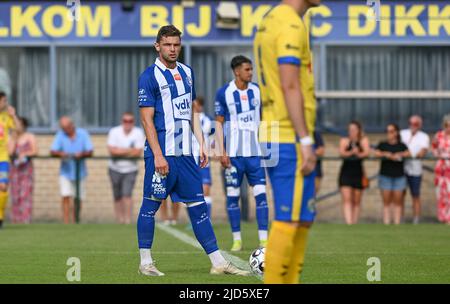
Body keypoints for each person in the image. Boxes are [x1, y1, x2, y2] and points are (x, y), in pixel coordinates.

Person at [136, 25, 248, 276]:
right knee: (150, 207)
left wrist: (200, 144)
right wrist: (157, 155)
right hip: (162, 153)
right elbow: (146, 120)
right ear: (158, 46)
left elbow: (192, 113)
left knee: (198, 207)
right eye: (167, 44)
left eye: (176, 44)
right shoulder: (149, 76)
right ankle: (145, 263)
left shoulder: (187, 72)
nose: (172, 49)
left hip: (186, 154)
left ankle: (218, 262)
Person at [254, 0, 321, 284]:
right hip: (288, 136)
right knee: (288, 219)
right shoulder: (291, 24)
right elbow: (289, 84)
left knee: (303, 218)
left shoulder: (270, 19)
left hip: (279, 132)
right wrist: (305, 139)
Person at [215, 55, 269, 252]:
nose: (251, 73)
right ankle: (237, 240)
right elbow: (219, 124)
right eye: (247, 69)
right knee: (232, 197)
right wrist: (222, 151)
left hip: (255, 155)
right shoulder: (224, 93)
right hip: (234, 157)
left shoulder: (258, 92)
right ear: (237, 71)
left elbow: (265, 119)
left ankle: (264, 240)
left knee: (261, 196)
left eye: (251, 69)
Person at [50, 116, 93, 224]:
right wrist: (61, 153)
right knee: (65, 196)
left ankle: (75, 220)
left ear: (72, 125)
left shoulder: (83, 134)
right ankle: (66, 222)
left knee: (78, 198)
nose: (66, 130)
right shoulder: (60, 135)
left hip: (80, 171)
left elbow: (90, 151)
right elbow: (53, 151)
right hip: (65, 171)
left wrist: (81, 154)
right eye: (63, 128)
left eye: (67, 127)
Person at [107, 112, 145, 224]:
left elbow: (137, 152)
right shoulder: (114, 131)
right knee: (117, 195)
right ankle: (119, 220)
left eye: (130, 121)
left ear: (133, 122)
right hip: (114, 168)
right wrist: (129, 150)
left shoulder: (138, 132)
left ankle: (127, 220)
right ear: (122, 121)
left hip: (130, 169)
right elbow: (112, 151)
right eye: (125, 121)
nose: (127, 123)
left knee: (127, 194)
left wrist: (120, 151)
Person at [375, 123, 410, 225]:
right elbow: (376, 153)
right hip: (385, 175)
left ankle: (397, 223)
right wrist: (386, 154)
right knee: (386, 201)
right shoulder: (383, 144)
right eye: (387, 131)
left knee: (398, 201)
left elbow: (408, 153)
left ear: (396, 132)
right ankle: (386, 223)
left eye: (391, 131)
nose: (389, 134)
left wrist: (399, 154)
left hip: (399, 176)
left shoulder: (402, 145)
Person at [338, 121, 370, 225]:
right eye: (350, 129)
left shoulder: (363, 140)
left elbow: (366, 153)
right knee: (347, 199)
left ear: (358, 130)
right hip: (346, 172)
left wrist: (358, 152)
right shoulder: (344, 140)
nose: (351, 132)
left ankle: (354, 223)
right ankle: (349, 223)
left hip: (358, 172)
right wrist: (351, 152)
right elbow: (342, 153)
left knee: (356, 200)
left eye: (354, 129)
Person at [400, 115, 430, 224]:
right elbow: (398, 148)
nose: (413, 126)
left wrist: (407, 154)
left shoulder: (424, 136)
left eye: (416, 124)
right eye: (411, 123)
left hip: (415, 170)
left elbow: (422, 152)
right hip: (402, 169)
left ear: (420, 125)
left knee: (415, 195)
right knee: (400, 195)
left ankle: (416, 219)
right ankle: (400, 218)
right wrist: (406, 153)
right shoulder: (403, 133)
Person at [9, 117, 38, 224]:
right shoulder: (12, 138)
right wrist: (14, 138)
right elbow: (10, 152)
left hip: (26, 169)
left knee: (25, 194)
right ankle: (16, 220)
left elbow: (35, 151)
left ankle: (25, 220)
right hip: (15, 170)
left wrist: (24, 154)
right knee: (15, 195)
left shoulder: (30, 136)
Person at [0, 91, 20, 229]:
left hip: (3, 158)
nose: (6, 103)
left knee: (3, 186)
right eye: (3, 101)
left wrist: (14, 116)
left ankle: (0, 216)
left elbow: (18, 129)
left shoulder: (6, 117)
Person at [193, 96, 214, 218]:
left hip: (203, 158)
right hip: (189, 158)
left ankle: (207, 218)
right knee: (193, 191)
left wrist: (213, 149)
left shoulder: (207, 120)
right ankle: (195, 219)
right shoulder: (185, 119)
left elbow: (215, 136)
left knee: (205, 189)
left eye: (196, 104)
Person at [431, 114, 450, 225]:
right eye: (447, 125)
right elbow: (433, 148)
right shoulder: (439, 135)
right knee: (441, 193)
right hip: (441, 168)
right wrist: (438, 155)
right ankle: (442, 217)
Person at [313, 130, 325, 196]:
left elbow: (321, 151)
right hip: (299, 171)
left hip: (315, 172)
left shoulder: (315, 133)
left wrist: (308, 153)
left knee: (312, 196)